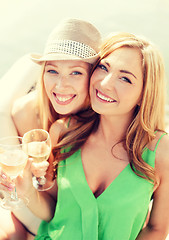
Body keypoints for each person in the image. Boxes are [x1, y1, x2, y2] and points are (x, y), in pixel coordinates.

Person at [12, 32, 169, 239]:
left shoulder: (160, 152)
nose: (104, 84)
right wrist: (27, 191)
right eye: (103, 68)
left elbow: (156, 229)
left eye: (125, 78)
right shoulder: (63, 132)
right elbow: (53, 211)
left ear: (144, 94)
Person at [0, 18, 101, 239]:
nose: (60, 85)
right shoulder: (25, 113)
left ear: (93, 77)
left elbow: (65, 207)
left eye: (75, 73)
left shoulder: (102, 122)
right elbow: (30, 187)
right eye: (52, 71)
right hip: (33, 207)